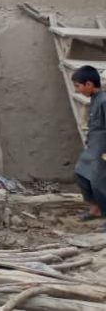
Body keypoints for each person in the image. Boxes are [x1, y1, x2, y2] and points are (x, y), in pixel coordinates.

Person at [72, 65, 106, 230]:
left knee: (100, 182)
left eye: (78, 86)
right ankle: (95, 209)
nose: (77, 90)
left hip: (103, 150)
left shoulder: (104, 100)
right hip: (94, 148)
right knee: (81, 174)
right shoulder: (94, 99)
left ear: (89, 84)